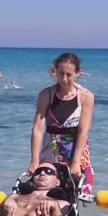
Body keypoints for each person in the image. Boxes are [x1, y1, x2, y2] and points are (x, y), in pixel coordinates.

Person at [29, 52, 95, 198]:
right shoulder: (46, 94)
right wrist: (34, 160)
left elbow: (82, 131)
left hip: (75, 148)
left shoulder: (86, 96)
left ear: (78, 73)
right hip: (50, 147)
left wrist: (76, 162)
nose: (64, 79)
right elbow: (38, 128)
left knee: (74, 190)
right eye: (61, 74)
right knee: (44, 189)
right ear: (55, 72)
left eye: (69, 74)